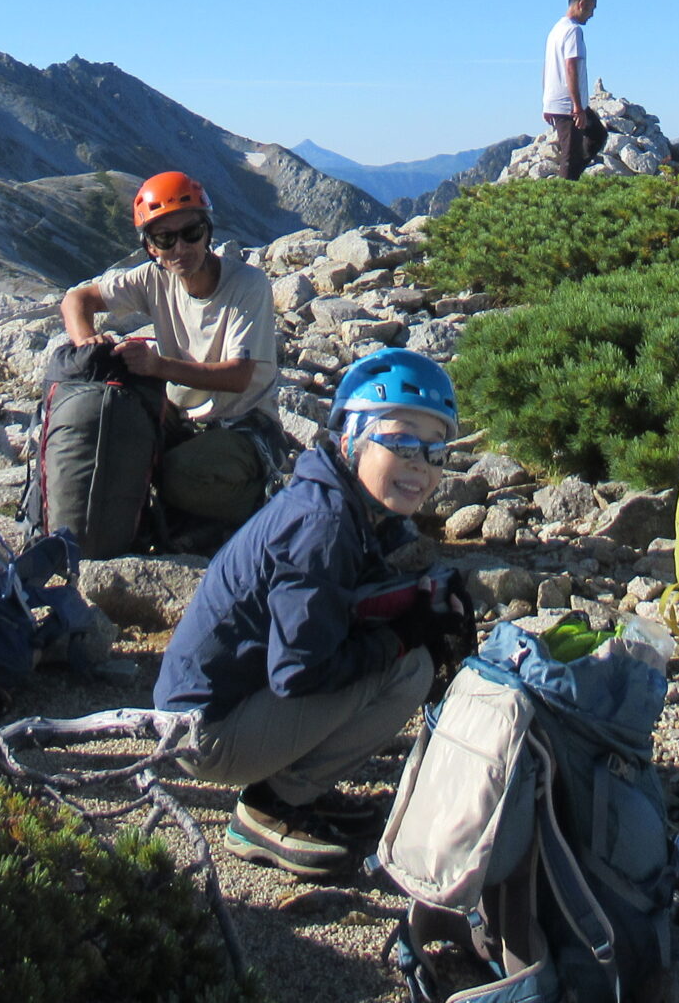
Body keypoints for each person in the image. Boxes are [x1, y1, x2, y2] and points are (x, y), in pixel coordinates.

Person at [155, 348, 474, 878]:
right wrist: (401, 635)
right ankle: (271, 806)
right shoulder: (322, 527)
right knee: (408, 670)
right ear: (350, 439)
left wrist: (419, 602)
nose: (420, 464)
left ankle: (295, 787)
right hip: (204, 734)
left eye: (435, 451)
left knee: (405, 654)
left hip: (216, 705)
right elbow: (299, 672)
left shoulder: (340, 503)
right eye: (401, 443)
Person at [59, 172, 283, 543]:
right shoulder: (153, 279)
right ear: (151, 248)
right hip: (181, 419)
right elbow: (76, 299)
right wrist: (88, 342)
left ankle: (264, 502)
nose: (181, 247)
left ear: (207, 233)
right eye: (165, 238)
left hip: (246, 424)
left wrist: (157, 366)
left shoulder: (247, 284)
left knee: (177, 476)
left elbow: (239, 376)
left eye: (191, 233)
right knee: (107, 435)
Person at [541, 0, 605, 179]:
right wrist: (577, 107)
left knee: (598, 134)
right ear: (581, 4)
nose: (592, 14)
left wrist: (546, 103)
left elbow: (548, 68)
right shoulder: (573, 30)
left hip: (559, 101)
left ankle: (574, 176)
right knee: (570, 155)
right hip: (568, 105)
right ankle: (566, 188)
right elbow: (571, 67)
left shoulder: (556, 30)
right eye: (591, 8)